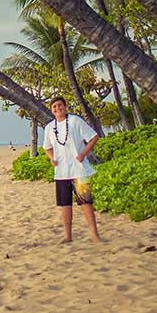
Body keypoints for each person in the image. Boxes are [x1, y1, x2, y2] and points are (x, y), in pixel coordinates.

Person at [42, 97, 102, 243]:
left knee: (86, 202)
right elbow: (46, 147)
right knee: (65, 204)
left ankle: (94, 235)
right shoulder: (50, 127)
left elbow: (94, 137)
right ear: (52, 110)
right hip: (61, 172)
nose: (57, 108)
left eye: (60, 105)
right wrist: (51, 158)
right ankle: (67, 236)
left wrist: (83, 154)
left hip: (79, 170)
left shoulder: (75, 121)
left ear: (65, 106)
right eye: (54, 107)